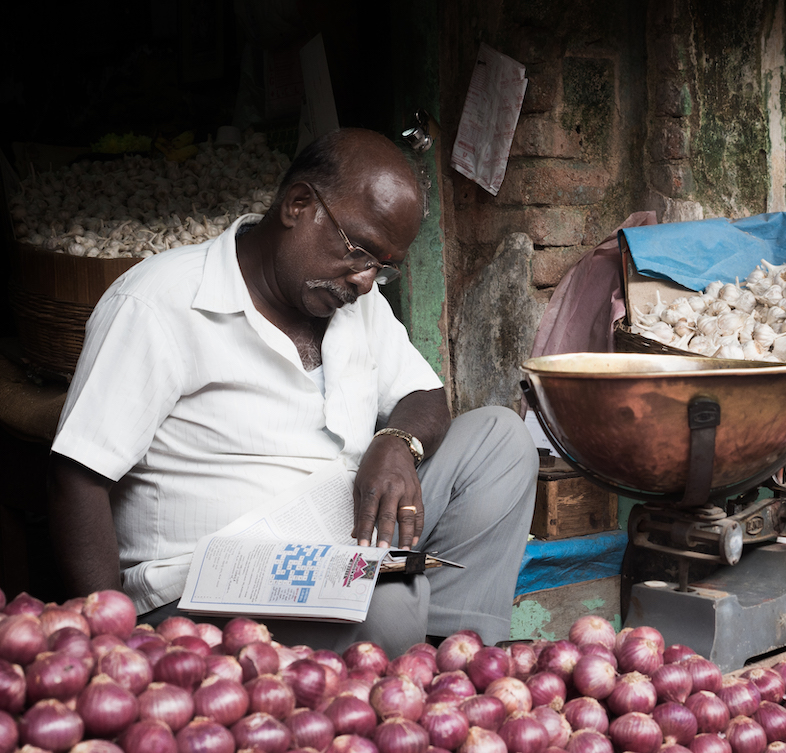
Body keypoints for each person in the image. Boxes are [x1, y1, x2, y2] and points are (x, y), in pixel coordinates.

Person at [47, 128, 538, 656]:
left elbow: (426, 396)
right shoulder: (159, 303)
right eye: (359, 253)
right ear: (299, 204)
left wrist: (395, 441)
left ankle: (451, 661)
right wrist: (111, 645)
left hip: (341, 544)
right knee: (387, 611)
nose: (367, 281)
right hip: (207, 595)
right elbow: (76, 477)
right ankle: (405, 651)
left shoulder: (355, 301)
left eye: (383, 268)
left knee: (500, 439)